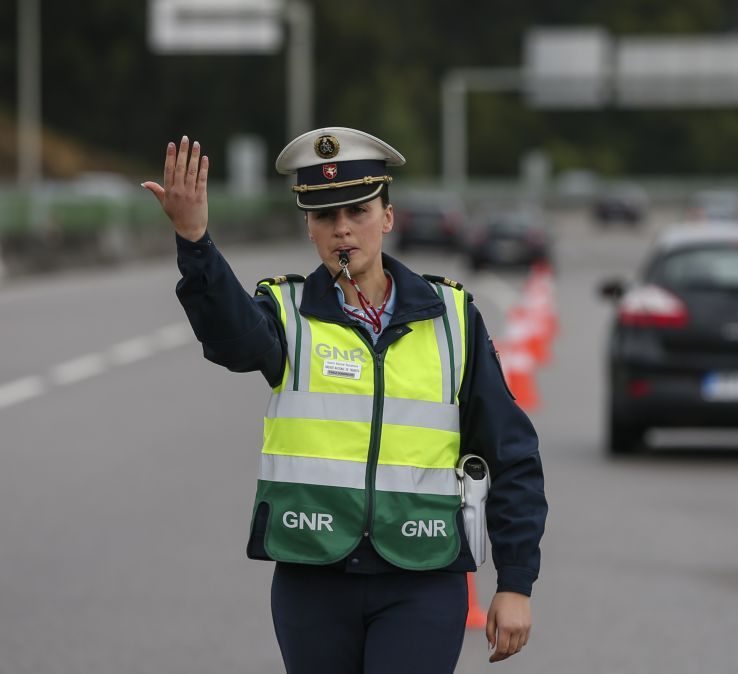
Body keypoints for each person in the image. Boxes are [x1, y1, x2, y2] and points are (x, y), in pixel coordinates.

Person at [141, 128, 547, 673]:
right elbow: (231, 336)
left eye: (357, 210)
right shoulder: (285, 312)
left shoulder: (452, 319)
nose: (342, 229)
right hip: (312, 578)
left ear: (387, 216)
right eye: (324, 215)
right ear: (308, 226)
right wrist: (195, 242)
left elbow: (512, 453)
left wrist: (515, 582)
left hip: (422, 577)